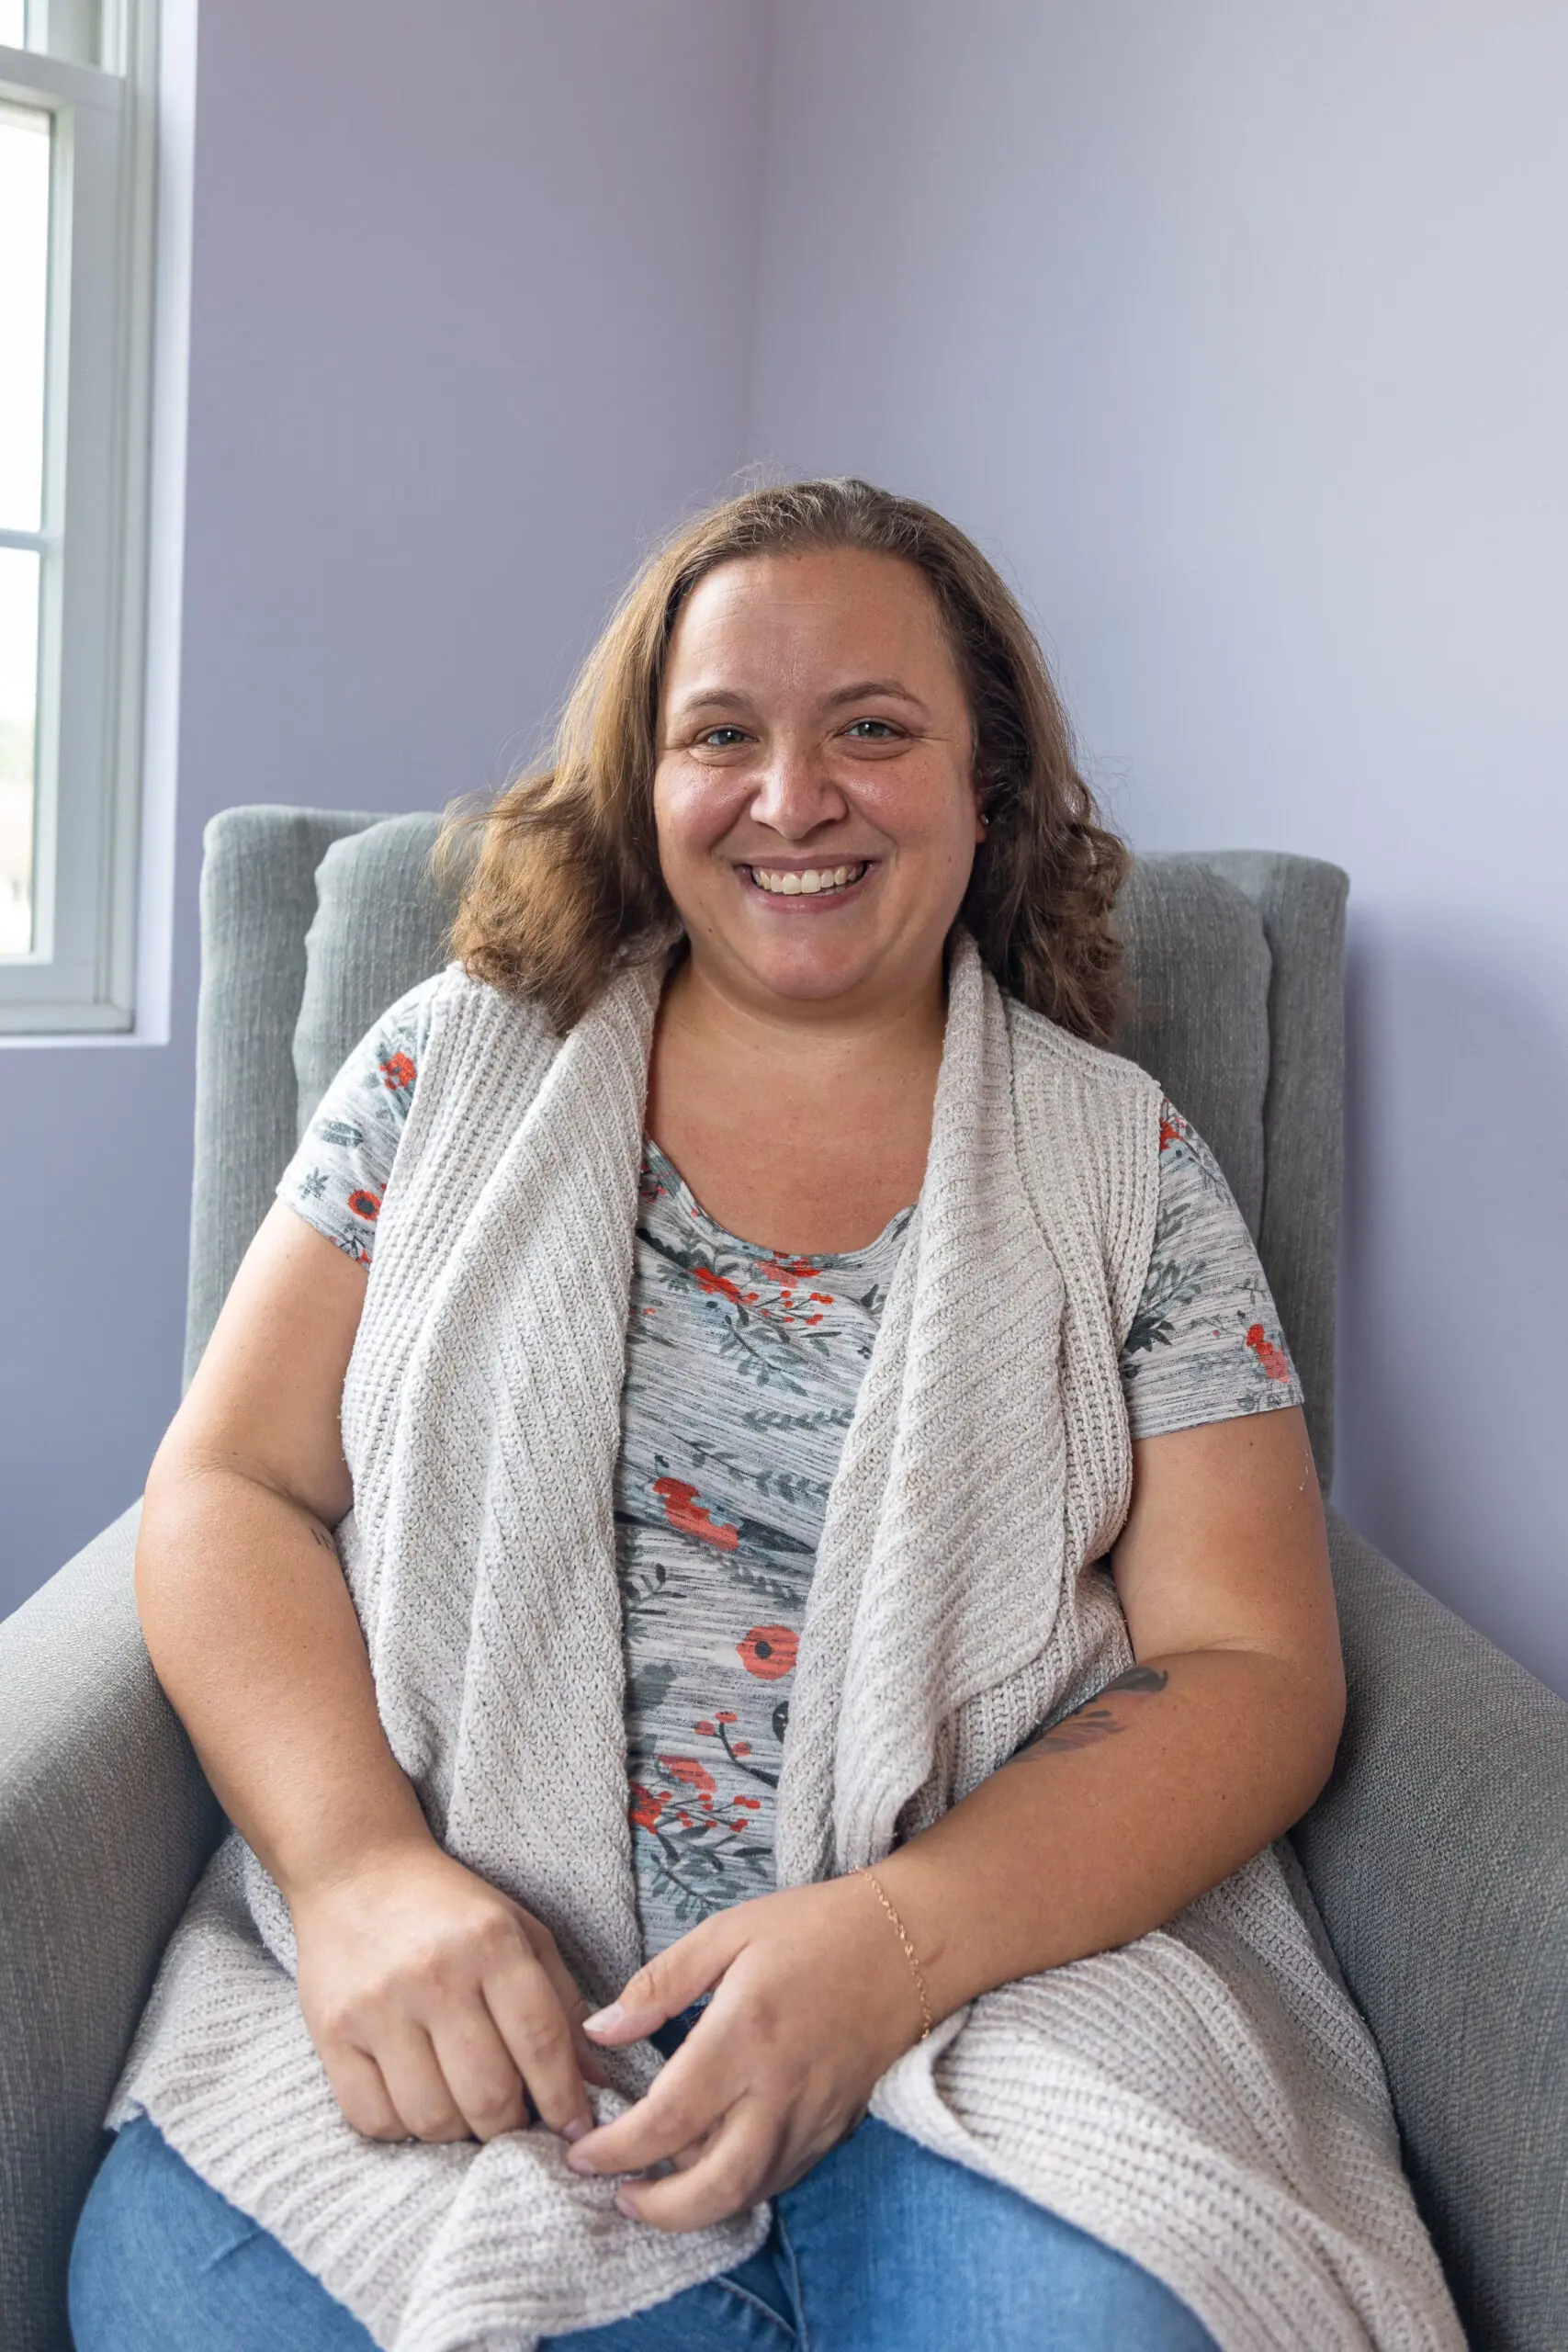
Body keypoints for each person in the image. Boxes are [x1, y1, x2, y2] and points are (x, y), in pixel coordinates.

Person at [69, 481, 1461, 2352]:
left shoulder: (1126, 1167)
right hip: (490, 1984)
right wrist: (359, 1869)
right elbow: (229, 1481)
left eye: (872, 731)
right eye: (719, 733)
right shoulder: (440, 1069)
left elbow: (1249, 1656)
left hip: (997, 1993)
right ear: (643, 784)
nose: (790, 798)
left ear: (988, 787)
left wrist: (887, 1941)